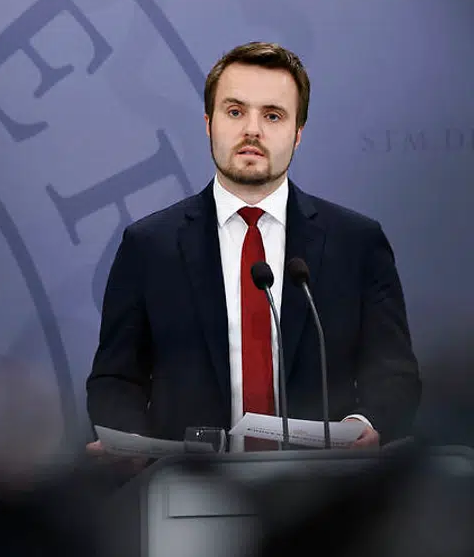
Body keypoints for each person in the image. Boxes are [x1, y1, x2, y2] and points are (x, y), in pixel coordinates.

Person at [86, 42, 420, 452]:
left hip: (323, 482)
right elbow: (116, 379)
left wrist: (364, 425)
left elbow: (394, 374)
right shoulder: (149, 246)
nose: (252, 130)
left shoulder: (357, 244)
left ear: (298, 134)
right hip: (188, 480)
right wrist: (130, 441)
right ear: (208, 124)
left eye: (273, 115)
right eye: (235, 111)